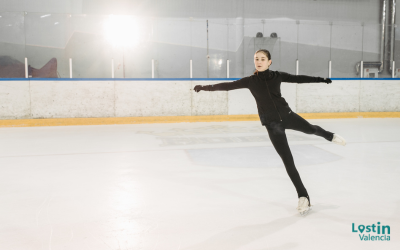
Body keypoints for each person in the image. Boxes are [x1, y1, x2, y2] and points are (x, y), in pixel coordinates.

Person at [193, 49, 346, 216]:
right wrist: (204, 87)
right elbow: (227, 86)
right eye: (256, 59)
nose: (259, 61)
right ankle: (303, 196)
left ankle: (329, 136)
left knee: (311, 129)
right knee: (288, 162)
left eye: (262, 59)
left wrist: (321, 80)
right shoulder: (250, 81)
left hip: (288, 116)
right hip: (273, 126)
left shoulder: (277, 76)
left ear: (269, 61)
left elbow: (298, 79)